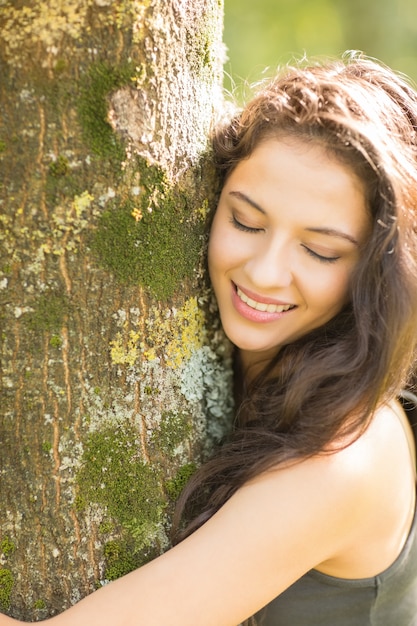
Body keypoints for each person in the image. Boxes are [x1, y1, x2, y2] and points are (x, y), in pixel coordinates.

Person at [2, 52, 417, 626]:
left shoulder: (345, 457)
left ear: (377, 272)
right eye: (246, 221)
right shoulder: (253, 370)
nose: (265, 272)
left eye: (320, 250)